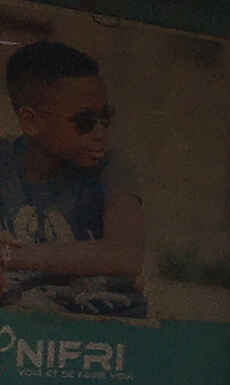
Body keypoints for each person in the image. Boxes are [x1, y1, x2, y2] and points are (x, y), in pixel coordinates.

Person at [0, 39, 147, 317]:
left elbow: (126, 254)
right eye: (85, 122)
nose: (100, 133)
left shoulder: (109, 167)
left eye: (105, 118)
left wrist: (11, 256)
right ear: (31, 122)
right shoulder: (4, 163)